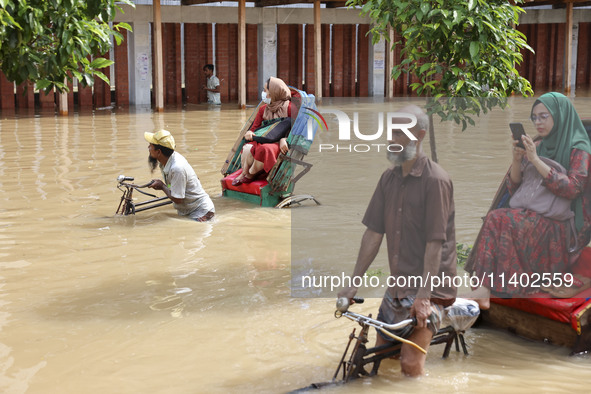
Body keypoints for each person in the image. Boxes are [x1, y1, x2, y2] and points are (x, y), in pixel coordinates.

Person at [337, 105, 457, 377]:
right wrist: (352, 282)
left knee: (409, 365)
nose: (392, 139)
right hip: (399, 284)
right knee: (381, 357)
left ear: (420, 136)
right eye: (390, 132)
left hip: (432, 289)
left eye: (400, 133)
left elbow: (435, 243)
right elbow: (373, 234)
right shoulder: (388, 179)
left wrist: (424, 297)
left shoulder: (435, 181)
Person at [465, 92, 591, 308]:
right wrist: (517, 160)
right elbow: (514, 189)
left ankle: (484, 290)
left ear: (559, 115)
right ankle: (485, 288)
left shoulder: (579, 148)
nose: (538, 122)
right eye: (534, 117)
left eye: (544, 116)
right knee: (495, 217)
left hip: (559, 225)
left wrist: (535, 160)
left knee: (499, 219)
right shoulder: (537, 143)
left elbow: (572, 188)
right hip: (531, 214)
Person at [232, 76, 297, 186]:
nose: (263, 93)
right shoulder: (263, 109)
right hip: (261, 138)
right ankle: (245, 173)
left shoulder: (291, 108)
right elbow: (254, 129)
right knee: (248, 147)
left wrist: (283, 139)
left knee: (266, 149)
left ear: (274, 93)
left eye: (265, 90)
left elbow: (296, 132)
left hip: (279, 143)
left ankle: (251, 174)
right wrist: (249, 133)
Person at [145, 129, 215, 222]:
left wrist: (162, 186)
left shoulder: (177, 168)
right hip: (188, 210)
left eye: (151, 145)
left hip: (201, 213)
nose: (148, 148)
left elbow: (178, 199)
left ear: (159, 152)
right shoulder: (165, 161)